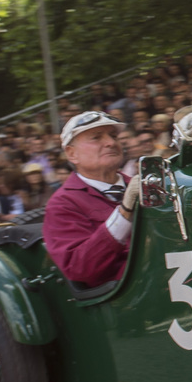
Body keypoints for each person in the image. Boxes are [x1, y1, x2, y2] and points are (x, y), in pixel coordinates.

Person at [42, 111, 141, 287]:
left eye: (113, 136)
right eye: (96, 138)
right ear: (72, 154)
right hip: (128, 295)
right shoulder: (63, 204)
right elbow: (80, 269)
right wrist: (125, 212)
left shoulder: (145, 184)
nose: (111, 143)